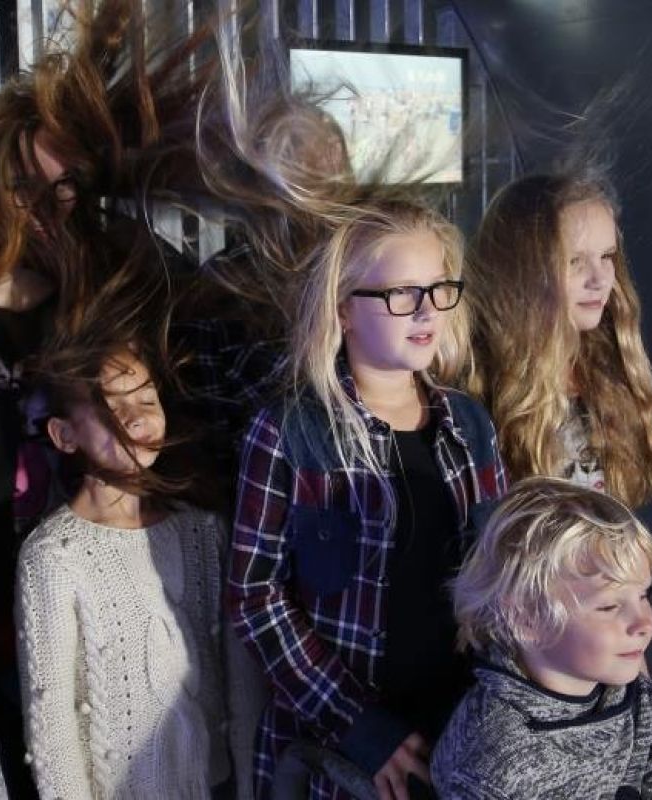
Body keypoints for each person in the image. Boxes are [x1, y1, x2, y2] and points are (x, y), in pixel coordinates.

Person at [229, 198, 507, 800]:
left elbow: (498, 581)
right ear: (343, 312)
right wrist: (360, 727)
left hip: (456, 736)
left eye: (438, 288)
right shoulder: (289, 433)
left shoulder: (470, 426)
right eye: (401, 293)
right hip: (337, 749)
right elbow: (255, 599)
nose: (427, 310)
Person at [15, 314, 235, 797]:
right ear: (63, 435)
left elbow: (239, 678)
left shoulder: (203, 532)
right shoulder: (54, 556)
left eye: (147, 400)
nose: (136, 417)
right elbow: (51, 722)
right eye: (112, 408)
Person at [432, 476, 652, 798]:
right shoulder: (496, 767)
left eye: (643, 594)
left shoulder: (637, 696)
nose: (643, 622)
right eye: (609, 606)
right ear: (527, 619)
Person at [456, 172, 652, 507]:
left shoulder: (606, 368)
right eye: (574, 261)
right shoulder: (477, 388)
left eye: (607, 256)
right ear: (522, 271)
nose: (599, 279)